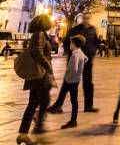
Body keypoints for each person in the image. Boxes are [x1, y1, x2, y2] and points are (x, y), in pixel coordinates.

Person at [17, 15, 56, 145]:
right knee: (42, 101)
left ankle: (24, 133)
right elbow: (36, 51)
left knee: (34, 102)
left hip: (40, 73)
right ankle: (35, 124)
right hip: (40, 73)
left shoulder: (40, 34)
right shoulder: (39, 34)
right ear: (44, 22)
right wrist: (47, 65)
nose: (51, 22)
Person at [47, 35, 88, 128]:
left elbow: (74, 68)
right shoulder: (80, 52)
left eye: (71, 43)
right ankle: (55, 107)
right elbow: (86, 59)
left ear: (74, 44)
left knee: (74, 100)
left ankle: (73, 120)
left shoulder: (75, 54)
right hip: (72, 79)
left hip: (71, 80)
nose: (70, 45)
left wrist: (73, 73)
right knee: (62, 94)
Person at [62, 12, 99, 112]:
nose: (86, 20)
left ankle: (88, 106)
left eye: (88, 18)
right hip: (76, 59)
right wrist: (71, 53)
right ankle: (59, 105)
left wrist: (93, 51)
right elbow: (66, 42)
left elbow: (95, 42)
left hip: (88, 60)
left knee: (88, 83)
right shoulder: (76, 29)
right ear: (82, 18)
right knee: (69, 82)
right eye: (84, 18)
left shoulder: (93, 30)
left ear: (90, 18)